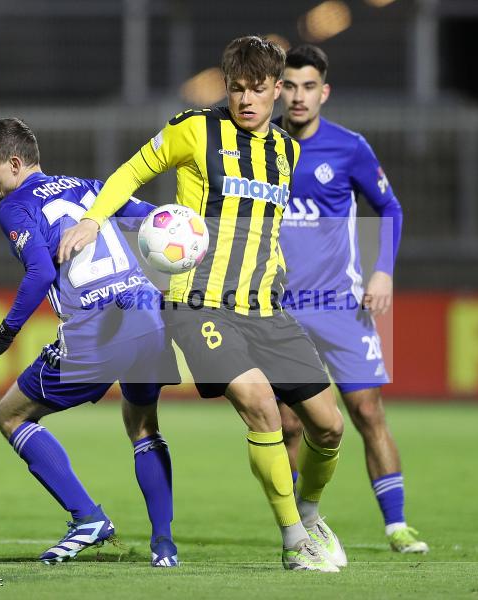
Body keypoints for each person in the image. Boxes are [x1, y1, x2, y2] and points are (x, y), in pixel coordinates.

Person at [58, 36, 345, 572]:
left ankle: (309, 515)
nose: (245, 100)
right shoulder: (195, 129)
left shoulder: (287, 151)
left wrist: (279, 270)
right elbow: (132, 171)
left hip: (265, 307)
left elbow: (265, 228)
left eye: (257, 90)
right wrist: (93, 218)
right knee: (259, 402)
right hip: (199, 304)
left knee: (329, 426)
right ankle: (293, 543)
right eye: (236, 89)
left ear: (277, 91)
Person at [0, 117, 180, 567]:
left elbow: (42, 272)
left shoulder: (13, 208)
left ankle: (87, 518)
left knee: (10, 415)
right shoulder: (90, 186)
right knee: (144, 426)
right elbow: (151, 218)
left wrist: (2, 336)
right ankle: (163, 545)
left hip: (97, 332)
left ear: (13, 162)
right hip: (147, 316)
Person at [274, 44, 428, 554]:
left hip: (342, 306)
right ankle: (300, 529)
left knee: (367, 411)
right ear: (279, 89)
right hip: (281, 309)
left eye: (308, 86)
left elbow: (389, 206)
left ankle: (397, 526)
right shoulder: (259, 147)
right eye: (290, 86)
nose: (298, 97)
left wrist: (383, 271)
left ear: (324, 91)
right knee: (290, 422)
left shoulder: (349, 147)